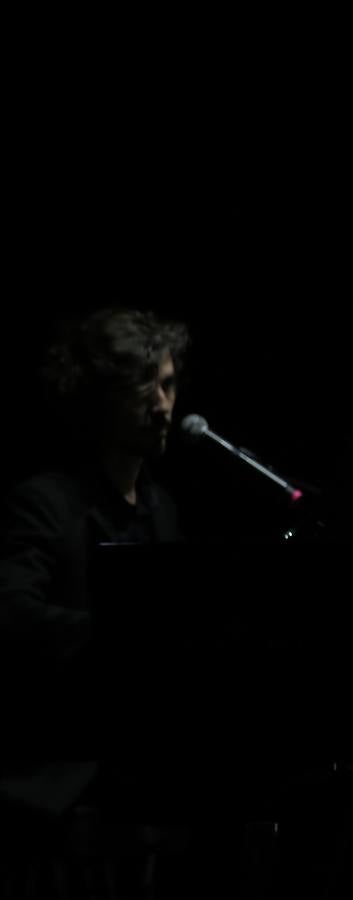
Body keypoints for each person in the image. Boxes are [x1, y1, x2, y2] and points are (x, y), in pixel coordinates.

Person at [0, 307, 188, 897]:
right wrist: (114, 637)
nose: (162, 405)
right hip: (64, 765)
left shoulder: (164, 510)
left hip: (141, 761)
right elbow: (11, 615)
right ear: (96, 399)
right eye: (143, 388)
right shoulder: (44, 503)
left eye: (168, 384)